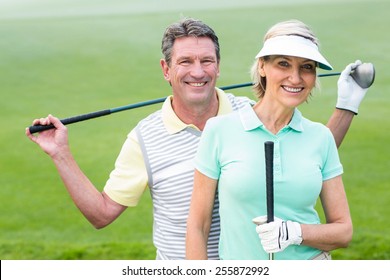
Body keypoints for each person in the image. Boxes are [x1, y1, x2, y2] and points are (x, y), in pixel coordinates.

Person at [26, 18, 365, 260]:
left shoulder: (249, 111)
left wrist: (346, 106)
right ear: (166, 70)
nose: (198, 72)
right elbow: (101, 214)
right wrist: (61, 154)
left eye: (207, 61)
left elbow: (307, 158)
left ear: (219, 67)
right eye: (185, 62)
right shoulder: (146, 137)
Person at [186, 19, 356, 260]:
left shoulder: (321, 137)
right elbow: (197, 225)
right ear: (262, 67)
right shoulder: (219, 131)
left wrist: (295, 232)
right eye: (283, 64)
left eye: (306, 67)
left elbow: (343, 231)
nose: (295, 78)